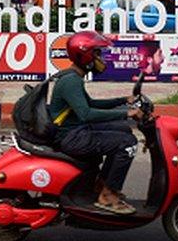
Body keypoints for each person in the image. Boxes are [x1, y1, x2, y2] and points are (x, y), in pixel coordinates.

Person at [48, 31, 142, 215]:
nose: (101, 58)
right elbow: (86, 114)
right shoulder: (71, 82)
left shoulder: (73, 78)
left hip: (75, 131)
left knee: (124, 132)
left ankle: (100, 185)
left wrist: (123, 101)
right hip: (72, 137)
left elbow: (90, 104)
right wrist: (127, 113)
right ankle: (107, 195)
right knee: (127, 144)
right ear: (85, 55)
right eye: (97, 53)